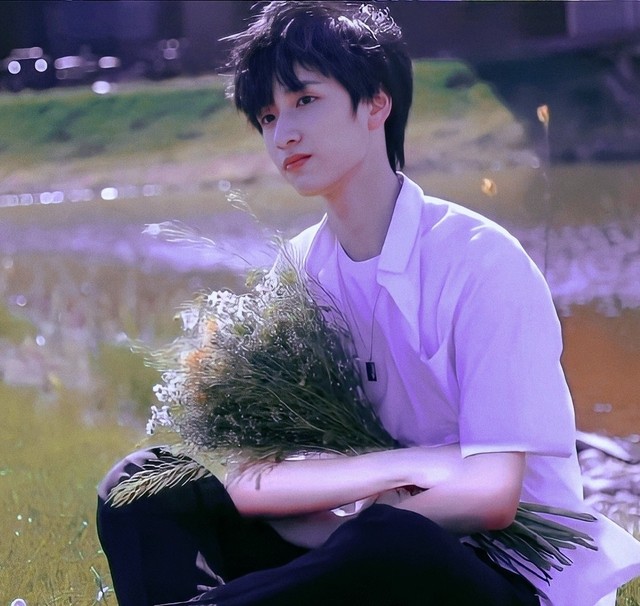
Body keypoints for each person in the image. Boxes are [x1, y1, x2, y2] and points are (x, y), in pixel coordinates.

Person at [96, 3, 640, 605]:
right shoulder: (300, 272)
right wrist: (407, 468)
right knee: (144, 481)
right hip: (350, 547)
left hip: (505, 575)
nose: (283, 134)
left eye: (305, 100)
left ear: (376, 104)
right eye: (268, 116)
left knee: (390, 538)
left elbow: (491, 495)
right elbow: (253, 482)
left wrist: (351, 515)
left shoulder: (480, 262)